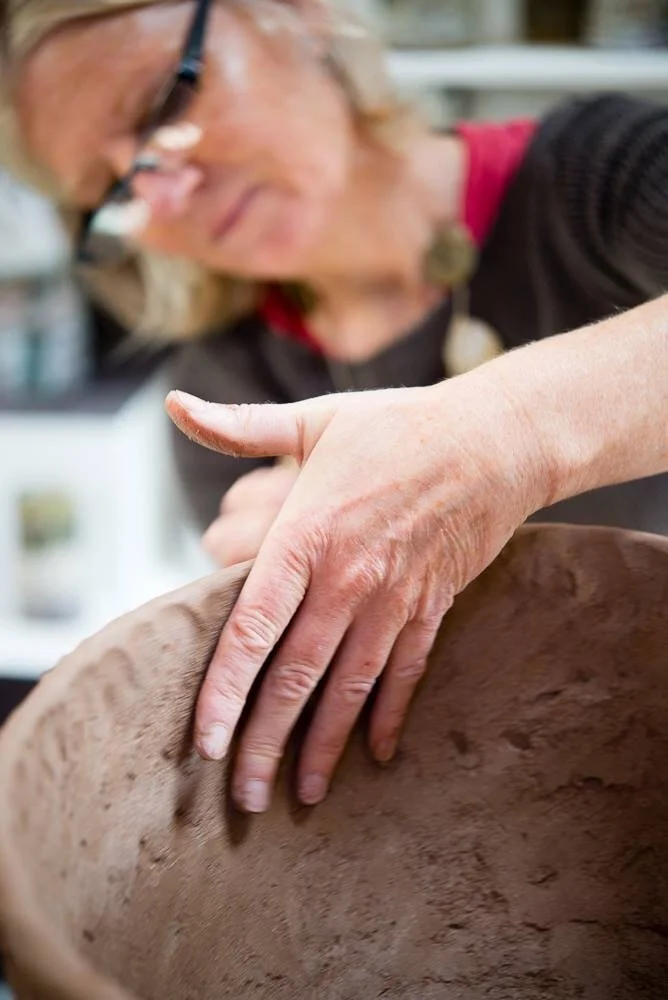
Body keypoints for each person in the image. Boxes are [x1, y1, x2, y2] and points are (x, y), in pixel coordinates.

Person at [2, 0, 667, 812]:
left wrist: (502, 433)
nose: (162, 195)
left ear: (299, 15)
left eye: (161, 106)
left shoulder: (604, 175)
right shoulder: (227, 378)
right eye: (108, 189)